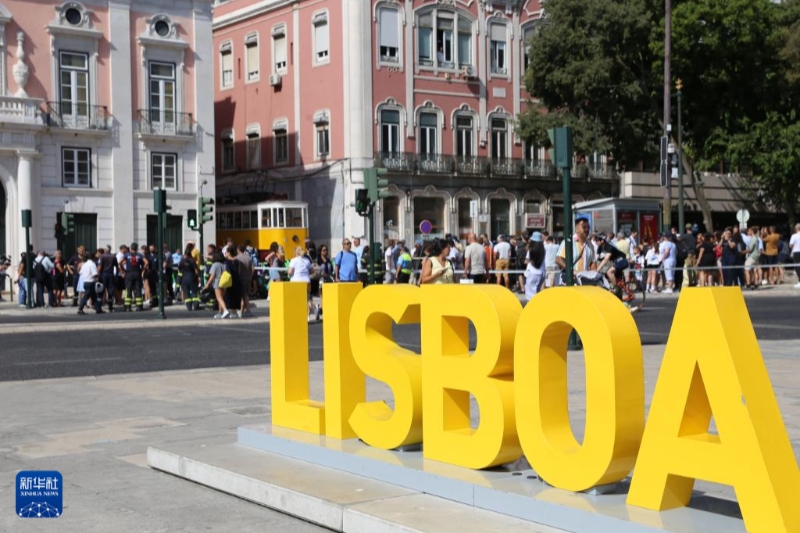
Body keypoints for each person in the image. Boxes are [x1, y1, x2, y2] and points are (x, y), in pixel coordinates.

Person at [555, 216, 596, 283]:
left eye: (588, 227)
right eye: (584, 227)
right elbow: (558, 259)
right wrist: (571, 271)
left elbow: (593, 265)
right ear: (577, 229)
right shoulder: (568, 242)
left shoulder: (590, 245)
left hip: (584, 282)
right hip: (570, 281)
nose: (587, 229)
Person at [288, 245, 316, 321]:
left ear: (295, 252)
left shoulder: (293, 260)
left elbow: (290, 272)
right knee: (307, 299)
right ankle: (308, 316)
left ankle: (297, 315)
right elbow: (312, 271)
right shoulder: (307, 261)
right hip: (306, 282)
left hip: (296, 282)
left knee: (296, 299)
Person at [120, 242, 147, 312]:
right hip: (137, 273)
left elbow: (120, 262)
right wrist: (142, 270)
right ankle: (139, 306)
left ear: (131, 248)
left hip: (129, 273)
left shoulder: (127, 255)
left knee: (128, 289)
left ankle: (128, 307)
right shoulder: (140, 255)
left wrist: (123, 270)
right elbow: (146, 262)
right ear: (136, 248)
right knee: (138, 289)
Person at [203, 251, 230, 319]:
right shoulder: (225, 264)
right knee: (221, 298)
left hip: (217, 282)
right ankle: (219, 312)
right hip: (224, 282)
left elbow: (212, 276)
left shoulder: (215, 264)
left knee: (219, 298)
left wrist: (207, 284)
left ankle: (225, 310)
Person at [77, 249, 103, 315]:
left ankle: (98, 309)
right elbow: (95, 273)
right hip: (90, 282)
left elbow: (80, 272)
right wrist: (98, 277)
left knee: (94, 296)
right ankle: (80, 309)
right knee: (86, 296)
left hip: (85, 282)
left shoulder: (85, 264)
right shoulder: (92, 264)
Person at [524, 235, 546, 301]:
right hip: (541, 272)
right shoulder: (543, 250)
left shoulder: (531, 250)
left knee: (530, 294)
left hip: (532, 272)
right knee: (537, 291)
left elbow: (527, 261)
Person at [315, 244, 334, 320]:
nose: (325, 252)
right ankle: (320, 309)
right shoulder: (318, 260)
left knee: (328, 296)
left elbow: (331, 269)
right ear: (320, 251)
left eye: (326, 250)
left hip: (329, 279)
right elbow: (316, 270)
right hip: (321, 280)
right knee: (322, 295)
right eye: (323, 250)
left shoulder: (328, 260)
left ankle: (320, 308)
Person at [236, 244, 254, 317]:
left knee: (242, 296)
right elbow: (253, 268)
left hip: (240, 279)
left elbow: (238, 270)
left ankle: (244, 311)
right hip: (248, 278)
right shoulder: (249, 258)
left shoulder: (237, 258)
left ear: (238, 250)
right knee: (245, 295)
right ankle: (243, 311)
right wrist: (250, 276)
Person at [97, 246, 117, 313]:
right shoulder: (113, 256)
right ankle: (110, 307)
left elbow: (100, 266)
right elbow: (116, 266)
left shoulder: (102, 257)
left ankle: (99, 307)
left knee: (101, 291)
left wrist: (97, 274)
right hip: (110, 274)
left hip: (103, 275)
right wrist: (116, 275)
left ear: (105, 250)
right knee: (110, 291)